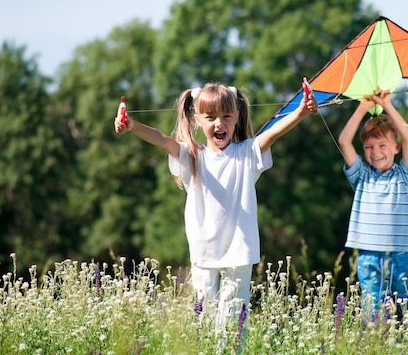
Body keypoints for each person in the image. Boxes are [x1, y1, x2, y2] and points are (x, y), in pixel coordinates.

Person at [114, 81, 318, 328]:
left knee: (232, 320)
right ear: (197, 119)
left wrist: (301, 111)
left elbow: (273, 133)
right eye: (210, 117)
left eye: (226, 116)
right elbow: (162, 139)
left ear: (237, 118)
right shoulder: (192, 156)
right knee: (205, 320)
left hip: (239, 251)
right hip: (204, 250)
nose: (219, 123)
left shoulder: (246, 153)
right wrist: (132, 125)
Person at [338, 88, 408, 311]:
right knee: (373, 311)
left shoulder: (404, 176)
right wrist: (363, 107)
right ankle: (378, 342)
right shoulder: (362, 176)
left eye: (382, 145)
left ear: (395, 148)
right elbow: (344, 141)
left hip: (400, 253)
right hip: (368, 254)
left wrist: (387, 105)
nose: (375, 152)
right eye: (369, 147)